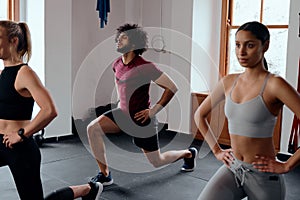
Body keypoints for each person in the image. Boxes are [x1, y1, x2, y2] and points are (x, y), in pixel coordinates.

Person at [194, 21, 300, 200]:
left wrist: (287, 165)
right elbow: (199, 115)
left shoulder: (275, 84)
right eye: (237, 45)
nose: (241, 52)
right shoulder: (228, 81)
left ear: (265, 46)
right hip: (233, 168)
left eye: (250, 45)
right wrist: (217, 151)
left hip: (264, 175)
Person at [0, 20, 103, 200]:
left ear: (13, 40)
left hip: (19, 147)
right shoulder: (3, 73)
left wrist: (22, 134)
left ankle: (88, 189)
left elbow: (49, 110)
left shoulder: (24, 73)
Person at [87, 23, 198, 186]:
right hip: (122, 114)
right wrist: (120, 100)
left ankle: (188, 154)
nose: (118, 40)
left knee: (157, 161)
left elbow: (172, 87)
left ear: (133, 44)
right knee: (92, 128)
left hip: (142, 120)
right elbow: (119, 81)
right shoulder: (117, 63)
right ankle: (105, 175)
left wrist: (153, 111)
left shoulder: (145, 67)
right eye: (119, 36)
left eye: (123, 37)